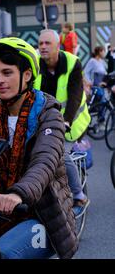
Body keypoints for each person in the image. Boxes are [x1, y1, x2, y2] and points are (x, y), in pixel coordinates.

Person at [0, 37, 78, 259]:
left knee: (3, 254)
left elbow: (45, 161)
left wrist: (18, 194)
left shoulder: (48, 113)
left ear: (27, 75)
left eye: (7, 72)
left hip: (41, 214)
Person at [37, 29, 90, 213]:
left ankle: (79, 195)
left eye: (47, 43)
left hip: (73, 121)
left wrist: (66, 121)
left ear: (57, 46)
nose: (42, 47)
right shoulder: (35, 65)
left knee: (60, 154)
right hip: (45, 123)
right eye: (40, 43)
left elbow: (75, 96)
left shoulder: (72, 63)